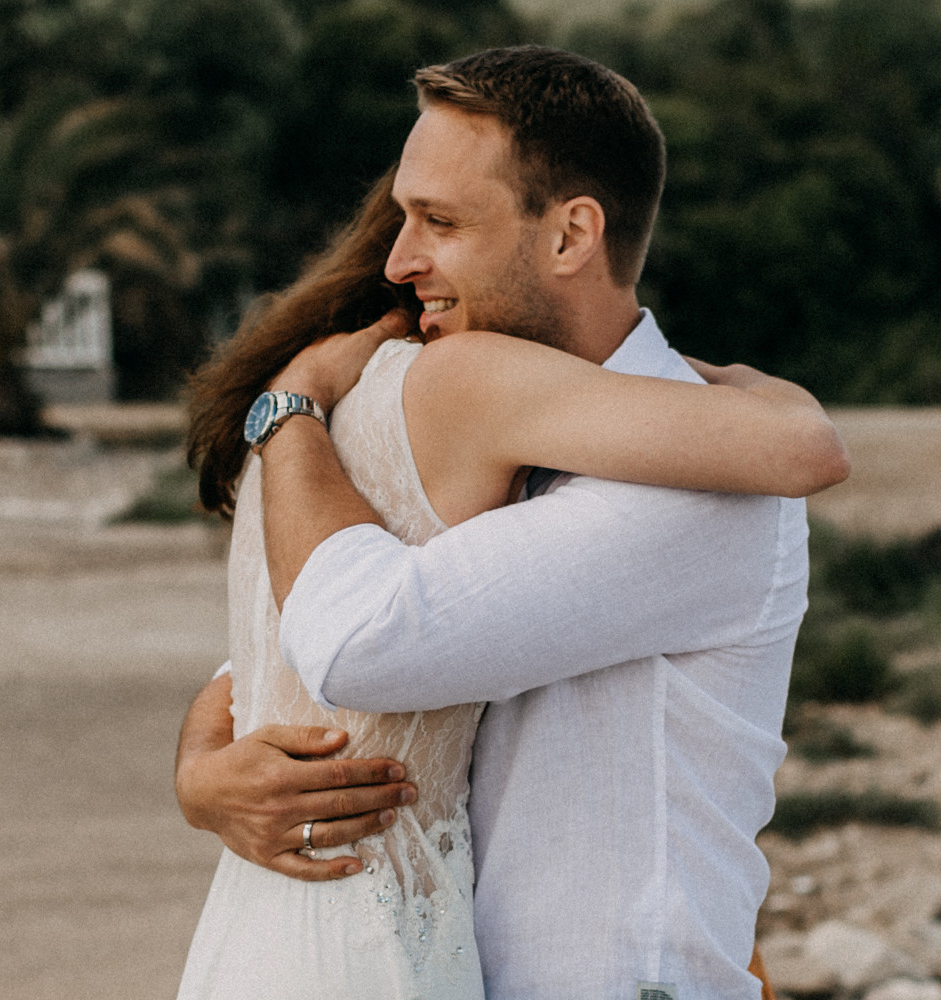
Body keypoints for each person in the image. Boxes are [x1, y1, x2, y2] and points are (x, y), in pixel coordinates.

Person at [175, 46, 847, 999]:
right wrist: (206, 777)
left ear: (573, 235)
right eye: (403, 219)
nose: (401, 263)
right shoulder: (483, 425)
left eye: (440, 223)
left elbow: (359, 640)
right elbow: (275, 653)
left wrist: (288, 412)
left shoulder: (703, 487)